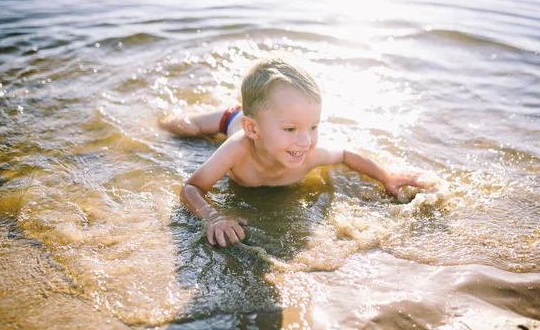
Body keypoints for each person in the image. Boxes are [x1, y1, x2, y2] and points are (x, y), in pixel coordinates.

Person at [160, 58, 437, 247]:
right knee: (180, 127)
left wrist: (385, 177)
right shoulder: (238, 148)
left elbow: (345, 154)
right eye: (291, 129)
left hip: (254, 119)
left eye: (313, 127)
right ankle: (206, 111)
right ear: (253, 129)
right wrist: (213, 216)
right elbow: (192, 187)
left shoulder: (309, 153)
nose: (305, 141)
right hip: (229, 120)